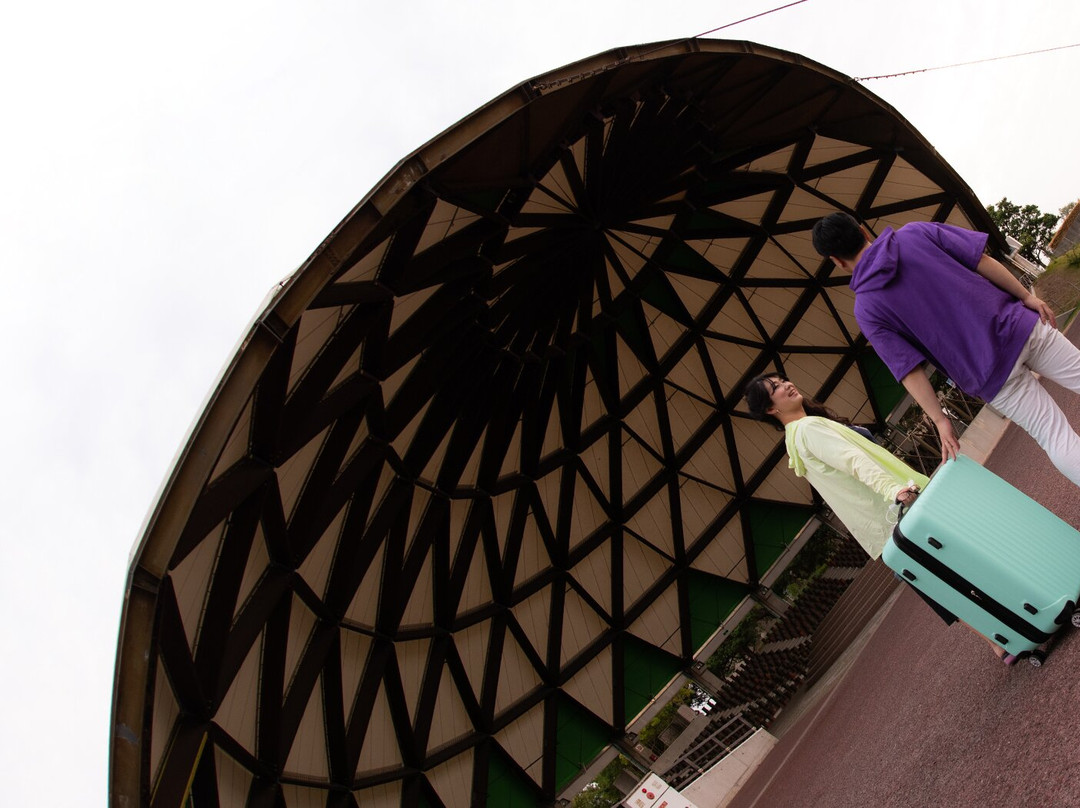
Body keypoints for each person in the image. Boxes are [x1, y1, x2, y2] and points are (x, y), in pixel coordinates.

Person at [744, 373, 1017, 664]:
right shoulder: (807, 429)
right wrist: (893, 489)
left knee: (941, 583)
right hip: (904, 508)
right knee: (967, 561)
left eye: (783, 379)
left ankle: (998, 643)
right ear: (770, 409)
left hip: (887, 525)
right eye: (775, 387)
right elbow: (853, 460)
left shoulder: (795, 441)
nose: (786, 384)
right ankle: (1016, 618)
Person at [811, 212, 1080, 485]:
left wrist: (940, 420)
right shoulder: (915, 233)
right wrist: (1025, 297)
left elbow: (908, 370)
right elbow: (981, 261)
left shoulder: (866, 309)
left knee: (1054, 435)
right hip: (1016, 328)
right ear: (862, 230)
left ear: (836, 261)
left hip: (987, 375)